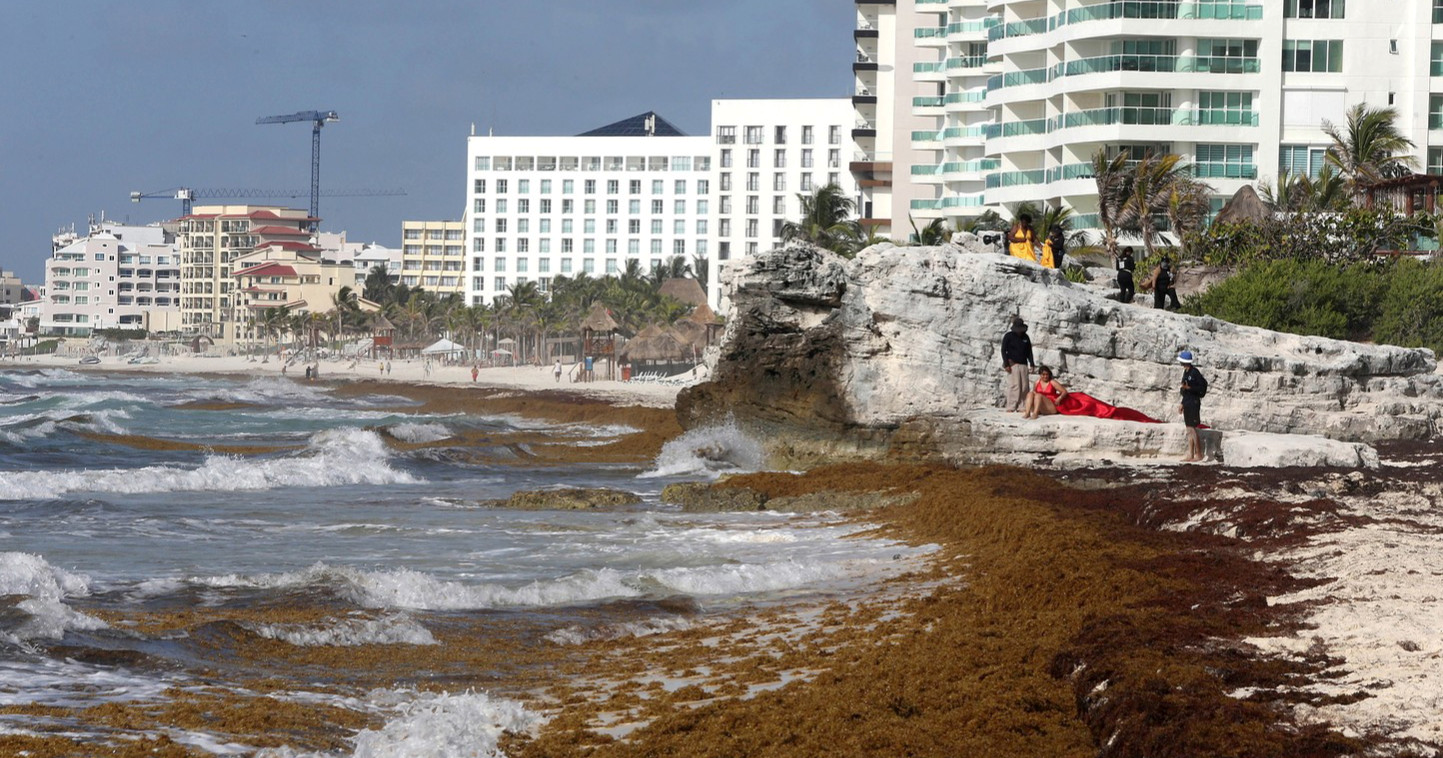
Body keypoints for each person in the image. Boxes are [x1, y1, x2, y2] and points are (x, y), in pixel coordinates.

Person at [1024, 365, 1161, 423]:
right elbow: (1034, 394)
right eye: (1043, 375)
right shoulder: (1037, 382)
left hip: (1054, 405)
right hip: (1044, 404)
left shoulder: (1053, 383)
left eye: (1047, 374)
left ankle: (1035, 413)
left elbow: (1064, 391)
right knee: (1031, 393)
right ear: (1040, 375)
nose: (1045, 377)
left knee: (1038, 395)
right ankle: (1027, 412)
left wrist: (1059, 398)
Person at [1178, 350, 1208, 462]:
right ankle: (1190, 454)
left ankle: (1198, 453)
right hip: (1187, 402)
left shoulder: (1194, 373)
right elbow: (1185, 390)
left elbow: (1200, 388)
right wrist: (1182, 403)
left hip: (1194, 402)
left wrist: (1190, 388)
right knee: (1188, 429)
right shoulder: (1186, 373)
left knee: (1192, 428)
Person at [999, 316, 1034, 412]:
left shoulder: (1026, 337)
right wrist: (1006, 364)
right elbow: (1003, 350)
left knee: (1024, 386)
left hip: (1023, 364)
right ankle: (1011, 406)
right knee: (1014, 386)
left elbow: (1029, 351)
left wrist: (1032, 363)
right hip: (1013, 364)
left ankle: (1022, 406)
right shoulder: (1008, 336)